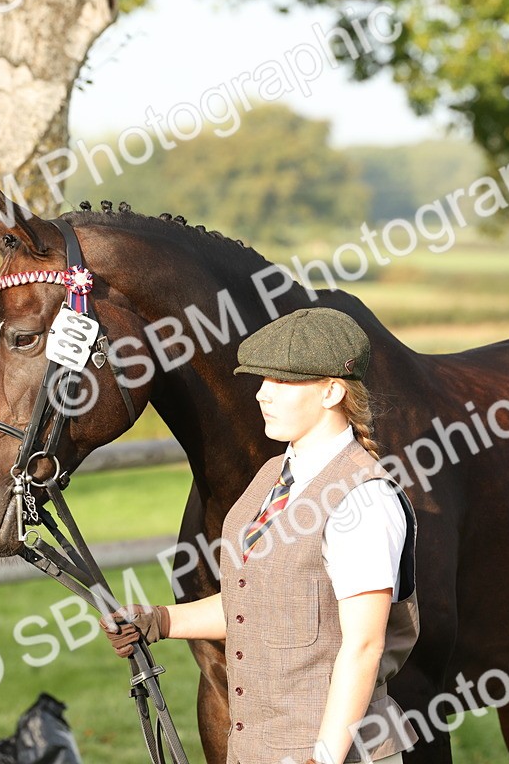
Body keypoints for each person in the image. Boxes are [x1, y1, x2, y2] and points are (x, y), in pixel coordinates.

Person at [102, 307, 420, 764]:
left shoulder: (362, 500)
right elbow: (257, 607)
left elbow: (364, 646)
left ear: (332, 391)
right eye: (261, 381)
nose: (261, 396)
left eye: (282, 382)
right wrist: (159, 621)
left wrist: (325, 757)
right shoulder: (272, 475)